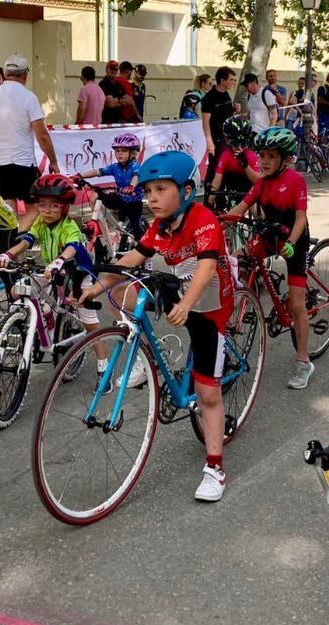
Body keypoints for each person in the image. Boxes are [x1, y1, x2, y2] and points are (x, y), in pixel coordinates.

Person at [74, 151, 236, 501]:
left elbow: (207, 268)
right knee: (130, 294)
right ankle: (148, 360)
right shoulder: (159, 225)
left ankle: (215, 468)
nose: (151, 197)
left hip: (209, 301)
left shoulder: (204, 220)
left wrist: (188, 304)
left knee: (208, 393)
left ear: (187, 190)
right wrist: (97, 287)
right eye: (148, 191)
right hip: (181, 289)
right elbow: (135, 257)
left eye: (161, 189)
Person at [0, 175, 106, 382]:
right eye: (42, 205)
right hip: (51, 270)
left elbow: (72, 247)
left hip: (79, 273)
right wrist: (7, 255)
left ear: (64, 207)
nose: (47, 210)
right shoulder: (40, 223)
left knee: (89, 320)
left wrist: (60, 260)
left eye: (54, 205)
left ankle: (103, 366)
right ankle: (43, 319)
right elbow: (26, 241)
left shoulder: (69, 226)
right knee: (17, 290)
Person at [225, 127, 314, 389]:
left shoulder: (296, 181)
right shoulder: (261, 184)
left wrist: (292, 244)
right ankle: (243, 300)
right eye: (261, 155)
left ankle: (303, 362)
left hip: (293, 242)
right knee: (235, 260)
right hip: (267, 237)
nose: (263, 161)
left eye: (270, 156)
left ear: (285, 160)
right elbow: (238, 211)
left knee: (297, 306)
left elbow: (301, 219)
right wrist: (210, 226)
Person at [0, 54, 61, 215]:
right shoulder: (29, 98)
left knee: (8, 205)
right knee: (33, 206)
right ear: (25, 75)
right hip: (21, 161)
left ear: (5, 73)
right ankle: (23, 237)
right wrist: (53, 161)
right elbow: (42, 136)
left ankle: (13, 237)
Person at [75, 133, 146, 237]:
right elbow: (97, 172)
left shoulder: (135, 166)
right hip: (120, 199)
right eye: (117, 151)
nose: (119, 154)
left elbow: (136, 176)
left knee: (138, 232)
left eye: (124, 151)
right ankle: (97, 223)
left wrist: (131, 186)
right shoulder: (115, 167)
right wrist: (79, 176)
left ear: (133, 153)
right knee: (96, 197)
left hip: (133, 203)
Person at [208, 116, 261, 204]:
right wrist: (209, 202)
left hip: (248, 186)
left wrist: (246, 166)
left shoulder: (251, 156)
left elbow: (258, 182)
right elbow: (217, 181)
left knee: (253, 207)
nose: (239, 147)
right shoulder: (225, 155)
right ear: (227, 140)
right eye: (235, 143)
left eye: (243, 144)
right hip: (230, 185)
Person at [202, 67, 238, 185]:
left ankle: (221, 192)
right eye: (231, 79)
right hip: (216, 136)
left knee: (226, 164)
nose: (233, 82)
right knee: (215, 164)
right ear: (222, 80)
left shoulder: (226, 95)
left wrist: (235, 111)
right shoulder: (210, 97)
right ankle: (210, 191)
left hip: (227, 136)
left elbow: (228, 115)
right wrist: (209, 141)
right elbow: (206, 121)